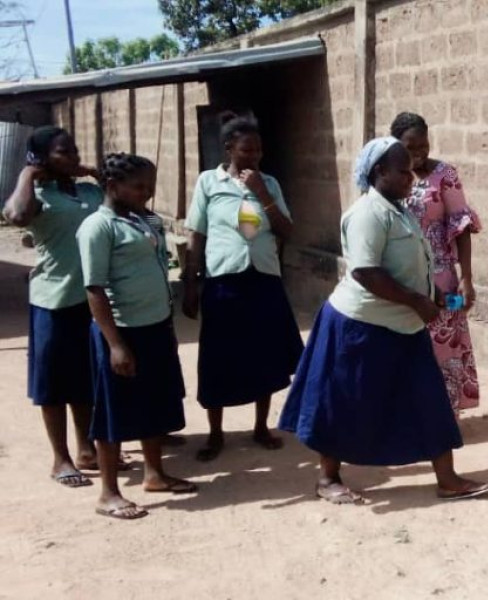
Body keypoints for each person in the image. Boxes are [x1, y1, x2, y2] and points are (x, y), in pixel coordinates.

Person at [278, 137, 488, 505]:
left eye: (411, 170)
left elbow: (412, 262)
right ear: (380, 172)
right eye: (403, 170)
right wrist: (415, 300)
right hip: (358, 326)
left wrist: (432, 294)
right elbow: (365, 272)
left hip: (405, 324)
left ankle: (447, 479)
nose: (412, 177)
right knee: (342, 401)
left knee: (430, 399)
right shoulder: (367, 214)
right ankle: (327, 478)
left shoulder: (399, 209)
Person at [78, 153, 196, 519]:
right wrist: (115, 345)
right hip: (122, 332)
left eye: (149, 186)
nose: (146, 193)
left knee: (153, 403)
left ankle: (155, 473)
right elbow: (94, 289)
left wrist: (168, 326)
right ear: (112, 187)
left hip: (154, 326)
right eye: (139, 187)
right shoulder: (99, 227)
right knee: (115, 412)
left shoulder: (144, 220)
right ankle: (109, 493)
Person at [182, 112, 304, 462]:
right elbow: (196, 233)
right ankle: (216, 433)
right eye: (246, 151)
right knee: (219, 356)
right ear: (229, 150)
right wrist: (191, 282)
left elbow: (286, 230)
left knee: (264, 354)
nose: (253, 157)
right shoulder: (209, 182)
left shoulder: (270, 183)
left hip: (262, 277)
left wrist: (262, 192)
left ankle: (261, 426)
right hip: (224, 279)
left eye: (258, 151)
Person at [3, 126, 104, 489]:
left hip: (93, 299)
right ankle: (60, 458)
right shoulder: (37, 195)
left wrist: (91, 172)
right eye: (64, 152)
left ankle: (87, 449)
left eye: (75, 149)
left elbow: (128, 192)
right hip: (54, 300)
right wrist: (29, 173)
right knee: (54, 383)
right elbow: (15, 216)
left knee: (87, 377)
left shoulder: (89, 190)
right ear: (43, 157)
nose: (73, 156)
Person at [390, 112, 482, 416]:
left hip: (442, 278)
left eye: (424, 146)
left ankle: (443, 416)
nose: (419, 153)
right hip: (401, 277)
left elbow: (462, 227)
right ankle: (408, 414)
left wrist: (466, 278)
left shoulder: (445, 175)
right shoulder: (389, 177)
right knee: (404, 345)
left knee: (444, 344)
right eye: (411, 147)